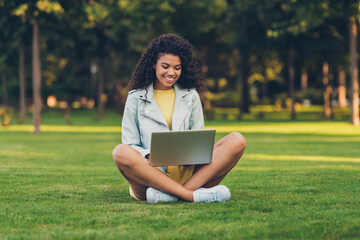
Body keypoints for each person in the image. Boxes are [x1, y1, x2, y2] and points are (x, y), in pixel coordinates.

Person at [112, 34, 246, 203]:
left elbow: (198, 138)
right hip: (150, 178)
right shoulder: (135, 97)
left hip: (188, 174)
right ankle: (190, 196)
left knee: (237, 139)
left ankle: (172, 195)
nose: (171, 72)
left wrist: (192, 154)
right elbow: (130, 143)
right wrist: (148, 155)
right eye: (165, 66)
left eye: (177, 67)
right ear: (154, 64)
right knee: (120, 152)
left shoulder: (191, 96)